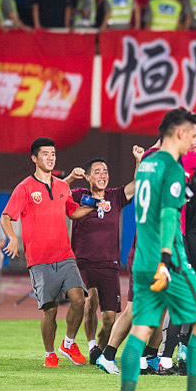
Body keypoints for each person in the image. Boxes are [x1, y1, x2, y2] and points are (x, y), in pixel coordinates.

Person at [117, 108, 196, 391]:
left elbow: (165, 202)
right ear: (181, 133)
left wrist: (193, 188)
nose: (195, 141)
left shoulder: (149, 162)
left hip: (142, 258)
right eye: (193, 135)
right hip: (169, 259)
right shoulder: (174, 167)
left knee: (140, 329)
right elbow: (168, 214)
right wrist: (167, 258)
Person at [0, 137, 97, 367]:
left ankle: (69, 342)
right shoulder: (24, 188)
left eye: (53, 153)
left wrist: (94, 205)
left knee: (79, 299)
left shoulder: (63, 186)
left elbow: (72, 212)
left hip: (65, 255)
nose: (50, 157)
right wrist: (12, 238)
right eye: (45, 154)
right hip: (39, 260)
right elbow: (6, 216)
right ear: (34, 158)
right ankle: (49, 353)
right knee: (50, 310)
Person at [65, 147, 142, 364]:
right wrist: (71, 177)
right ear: (88, 177)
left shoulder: (115, 196)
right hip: (83, 262)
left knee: (109, 318)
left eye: (105, 172)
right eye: (97, 172)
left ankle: (99, 351)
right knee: (90, 300)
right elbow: (58, 192)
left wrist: (137, 160)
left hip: (109, 264)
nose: (103, 175)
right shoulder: (80, 196)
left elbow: (135, 186)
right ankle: (90, 346)